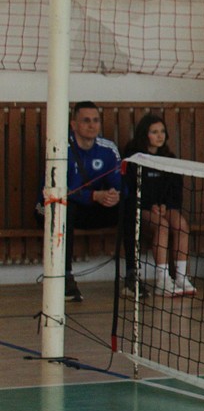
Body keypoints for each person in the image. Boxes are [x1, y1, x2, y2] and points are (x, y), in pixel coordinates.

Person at [36, 101, 124, 302]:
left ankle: (131, 276)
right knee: (63, 209)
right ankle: (65, 277)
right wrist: (93, 196)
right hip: (49, 209)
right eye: (86, 121)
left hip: (90, 209)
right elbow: (57, 190)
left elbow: (121, 185)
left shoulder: (108, 149)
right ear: (74, 124)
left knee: (127, 207)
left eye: (95, 120)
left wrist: (115, 195)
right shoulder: (60, 147)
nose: (92, 125)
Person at [121, 114, 195, 298]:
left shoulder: (169, 158)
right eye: (154, 132)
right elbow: (129, 190)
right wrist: (149, 206)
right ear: (144, 134)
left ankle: (181, 277)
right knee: (162, 226)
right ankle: (162, 280)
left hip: (163, 207)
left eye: (162, 131)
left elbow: (175, 190)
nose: (159, 135)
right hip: (140, 209)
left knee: (181, 225)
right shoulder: (133, 158)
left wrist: (165, 205)